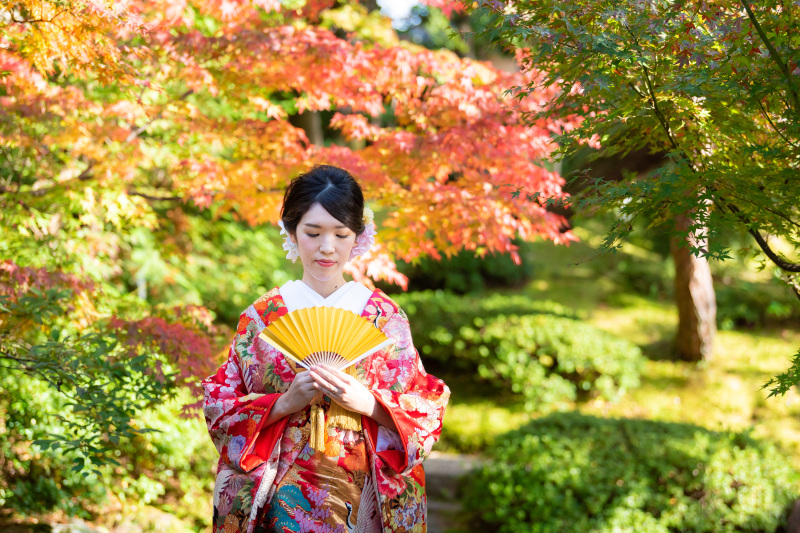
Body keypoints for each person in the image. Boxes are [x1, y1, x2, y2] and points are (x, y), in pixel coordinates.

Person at [201, 165, 450, 533]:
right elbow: (219, 406)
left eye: (341, 233)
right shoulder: (261, 317)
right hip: (280, 497)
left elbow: (426, 406)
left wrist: (369, 403)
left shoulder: (384, 317)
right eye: (313, 232)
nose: (327, 247)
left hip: (364, 494)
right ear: (291, 231)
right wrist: (283, 403)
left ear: (358, 237)